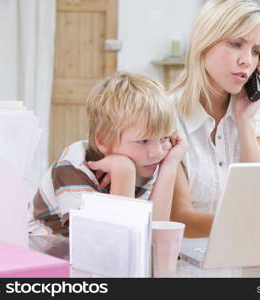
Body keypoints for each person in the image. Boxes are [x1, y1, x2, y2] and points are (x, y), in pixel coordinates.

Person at [30, 72, 187, 236]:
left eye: (164, 138)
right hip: (43, 254)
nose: (157, 152)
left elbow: (153, 237)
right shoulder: (74, 166)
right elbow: (116, 243)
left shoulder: (144, 163)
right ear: (103, 141)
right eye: (143, 141)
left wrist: (170, 165)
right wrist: (124, 171)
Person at [169, 0, 260, 237]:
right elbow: (179, 217)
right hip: (184, 259)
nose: (247, 61)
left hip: (245, 254)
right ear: (204, 42)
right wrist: (253, 227)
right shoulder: (166, 116)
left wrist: (244, 122)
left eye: (256, 51)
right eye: (236, 43)